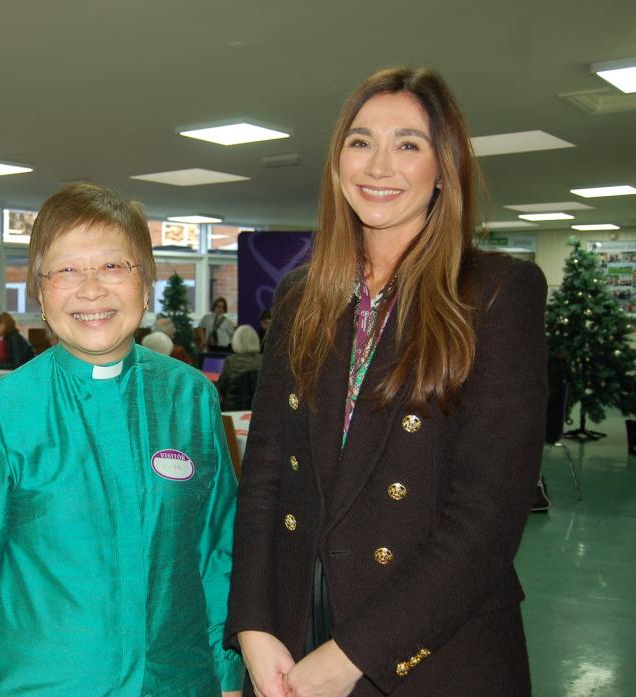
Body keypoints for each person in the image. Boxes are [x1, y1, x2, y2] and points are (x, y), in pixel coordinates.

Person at [226, 67, 547, 697]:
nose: (378, 166)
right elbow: (264, 476)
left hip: (427, 648)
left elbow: (486, 517)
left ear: (444, 166)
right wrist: (254, 625)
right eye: (359, 141)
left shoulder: (496, 294)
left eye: (408, 144)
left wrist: (350, 656)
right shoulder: (303, 295)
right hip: (293, 636)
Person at [0, 183, 243, 696]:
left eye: (113, 266)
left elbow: (217, 551)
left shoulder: (188, 398)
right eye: (67, 270)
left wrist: (226, 674)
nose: (91, 289)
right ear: (40, 293)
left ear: (146, 281)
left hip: (178, 682)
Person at [217, 324, 263, 411]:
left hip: (233, 409)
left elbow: (222, 387)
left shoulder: (230, 361)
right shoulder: (263, 360)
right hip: (258, 409)